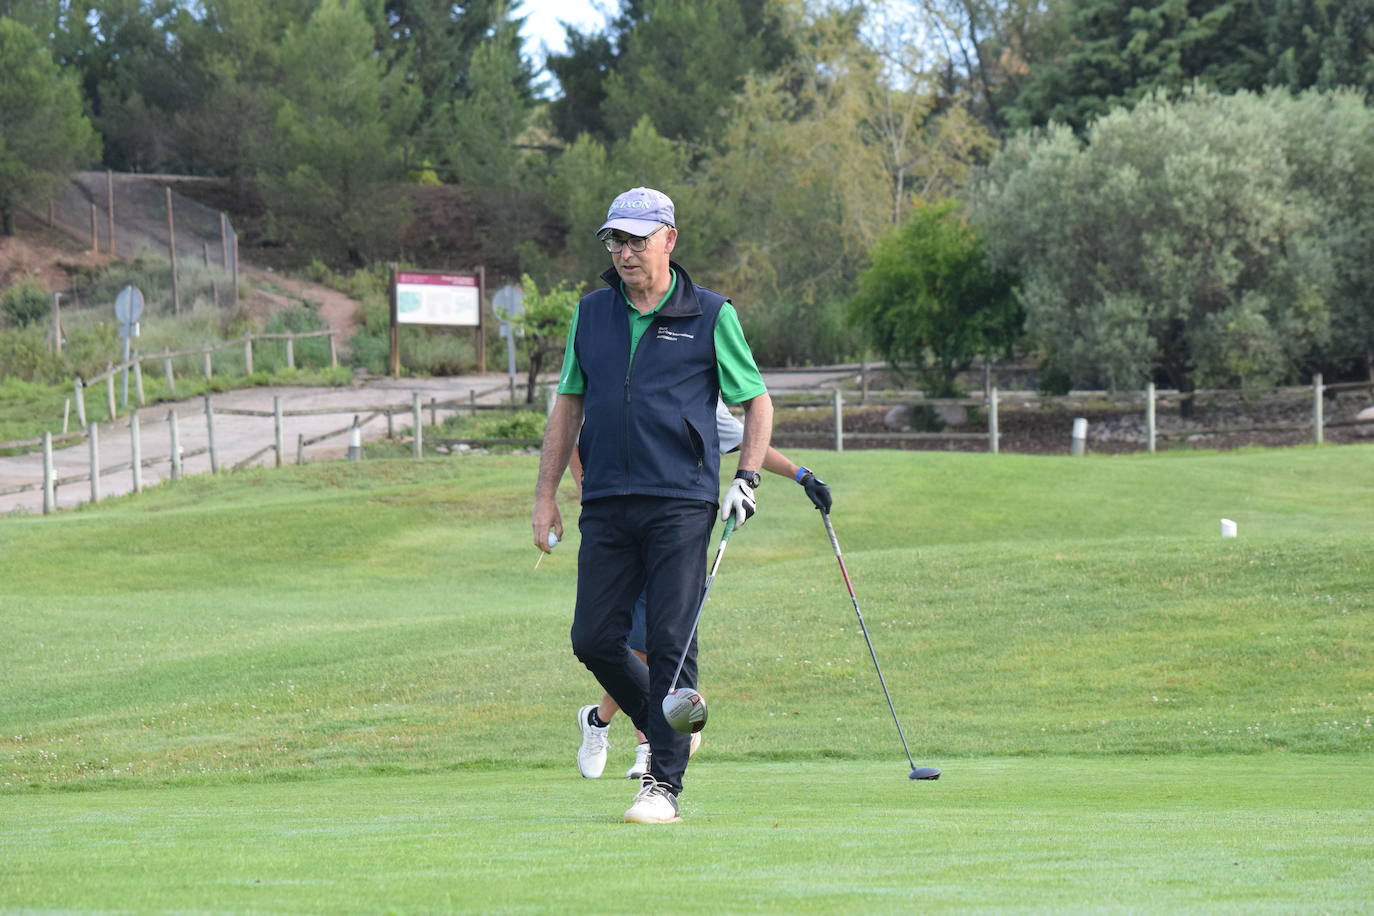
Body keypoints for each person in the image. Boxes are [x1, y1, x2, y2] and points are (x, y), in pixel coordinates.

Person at [532, 187, 773, 824]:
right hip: (608, 498)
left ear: (669, 238)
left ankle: (662, 785)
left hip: (682, 499)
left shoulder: (712, 314)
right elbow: (568, 405)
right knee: (593, 638)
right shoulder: (592, 313)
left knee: (671, 641)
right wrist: (544, 495)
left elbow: (757, 402)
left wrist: (746, 477)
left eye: (638, 239)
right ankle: (671, 728)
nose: (625, 251)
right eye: (616, 239)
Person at [571, 401, 832, 780]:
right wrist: (586, 489)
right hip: (619, 524)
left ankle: (619, 729)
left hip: (674, 528)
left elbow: (748, 445)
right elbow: (572, 440)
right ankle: (644, 731)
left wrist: (802, 475)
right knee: (620, 642)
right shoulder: (619, 390)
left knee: (655, 644)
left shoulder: (703, 402)